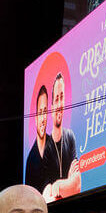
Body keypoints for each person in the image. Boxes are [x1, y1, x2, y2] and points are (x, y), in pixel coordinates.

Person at [44, 73, 81, 201]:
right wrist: (67, 182)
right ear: (52, 106)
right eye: (56, 99)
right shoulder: (45, 147)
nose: (59, 104)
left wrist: (57, 186)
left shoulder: (70, 136)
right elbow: (46, 197)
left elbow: (77, 186)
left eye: (62, 97)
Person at [26, 85, 62, 195]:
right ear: (35, 118)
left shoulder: (56, 146)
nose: (43, 119)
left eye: (45, 112)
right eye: (40, 112)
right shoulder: (31, 160)